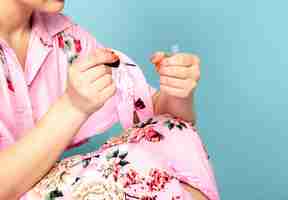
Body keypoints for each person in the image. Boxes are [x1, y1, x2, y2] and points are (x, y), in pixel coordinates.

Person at [0, 0, 218, 199]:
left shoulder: (64, 38)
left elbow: (160, 120)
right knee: (109, 177)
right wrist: (73, 107)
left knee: (175, 132)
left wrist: (176, 90)